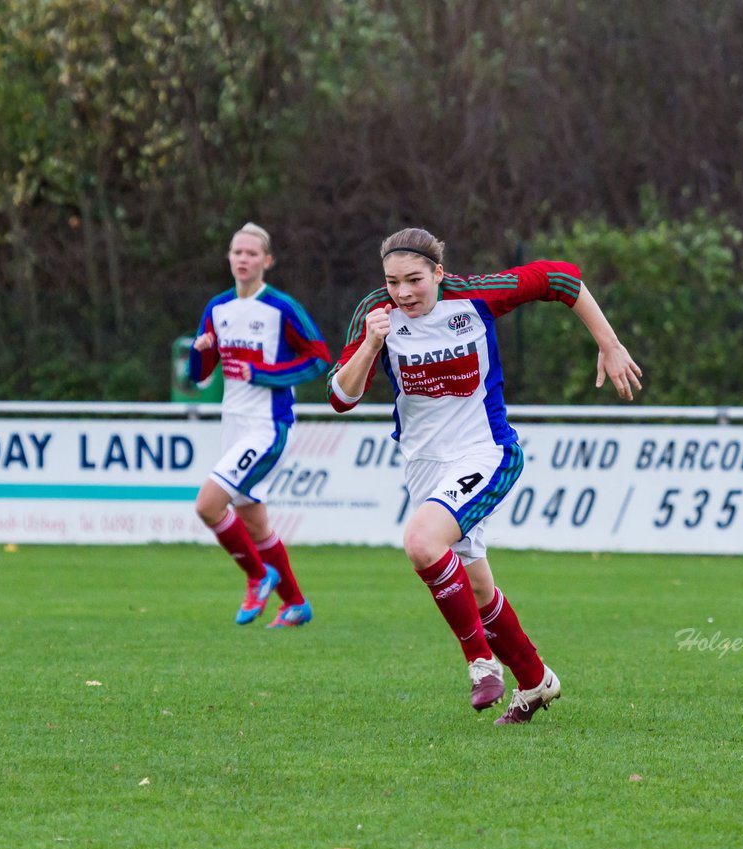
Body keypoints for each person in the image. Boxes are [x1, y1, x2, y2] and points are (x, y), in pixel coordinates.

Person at [328, 227, 643, 723]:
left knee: (421, 543)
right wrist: (370, 345)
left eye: (415, 280)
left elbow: (560, 279)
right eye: (393, 282)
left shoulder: (474, 296)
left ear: (438, 273)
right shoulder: (378, 314)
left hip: (486, 454)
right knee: (476, 590)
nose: (404, 292)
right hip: (424, 470)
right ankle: (537, 681)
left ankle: (481, 662)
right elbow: (341, 398)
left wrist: (609, 342)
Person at [188, 222, 331, 627]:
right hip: (232, 425)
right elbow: (198, 375)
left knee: (208, 505)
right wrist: (202, 352)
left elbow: (319, 357)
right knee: (254, 521)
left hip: (269, 427)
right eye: (237, 252)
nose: (243, 259)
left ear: (267, 261)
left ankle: (257, 576)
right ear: (229, 258)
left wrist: (264, 374)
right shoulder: (217, 308)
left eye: (252, 253)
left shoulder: (281, 308)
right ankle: (296, 604)